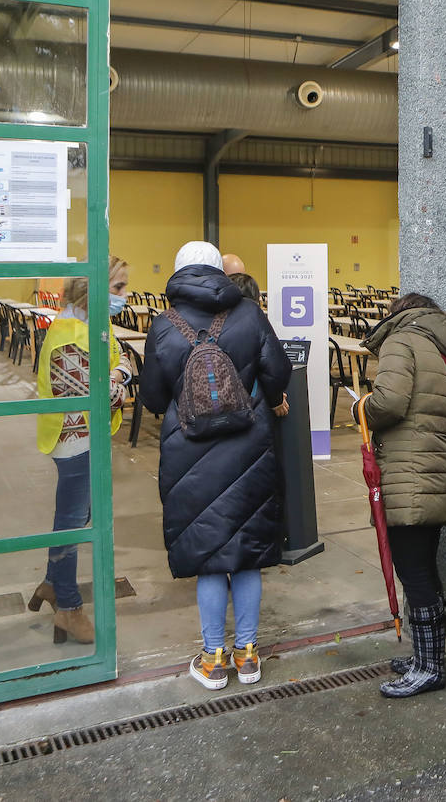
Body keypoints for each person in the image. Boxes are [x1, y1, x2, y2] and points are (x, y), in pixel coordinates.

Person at [139, 241, 291, 690]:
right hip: (249, 449)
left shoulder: (163, 326)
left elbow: (150, 397)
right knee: (246, 555)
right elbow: (278, 372)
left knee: (209, 558)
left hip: (189, 455)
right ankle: (247, 655)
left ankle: (212, 659)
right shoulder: (249, 314)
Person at [358, 292, 446, 699]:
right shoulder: (439, 345)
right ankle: (427, 656)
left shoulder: (400, 341)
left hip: (409, 474)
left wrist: (362, 406)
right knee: (423, 564)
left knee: (415, 570)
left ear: (399, 313)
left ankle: (429, 667)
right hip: (434, 471)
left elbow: (389, 402)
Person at [28, 257, 133, 645]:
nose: (125, 296)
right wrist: (117, 383)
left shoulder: (95, 325)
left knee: (77, 515)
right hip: (73, 442)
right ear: (93, 289)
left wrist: (118, 378)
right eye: (118, 288)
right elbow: (101, 393)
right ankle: (69, 607)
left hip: (89, 436)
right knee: (71, 521)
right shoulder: (69, 333)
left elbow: (121, 365)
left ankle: (52, 586)